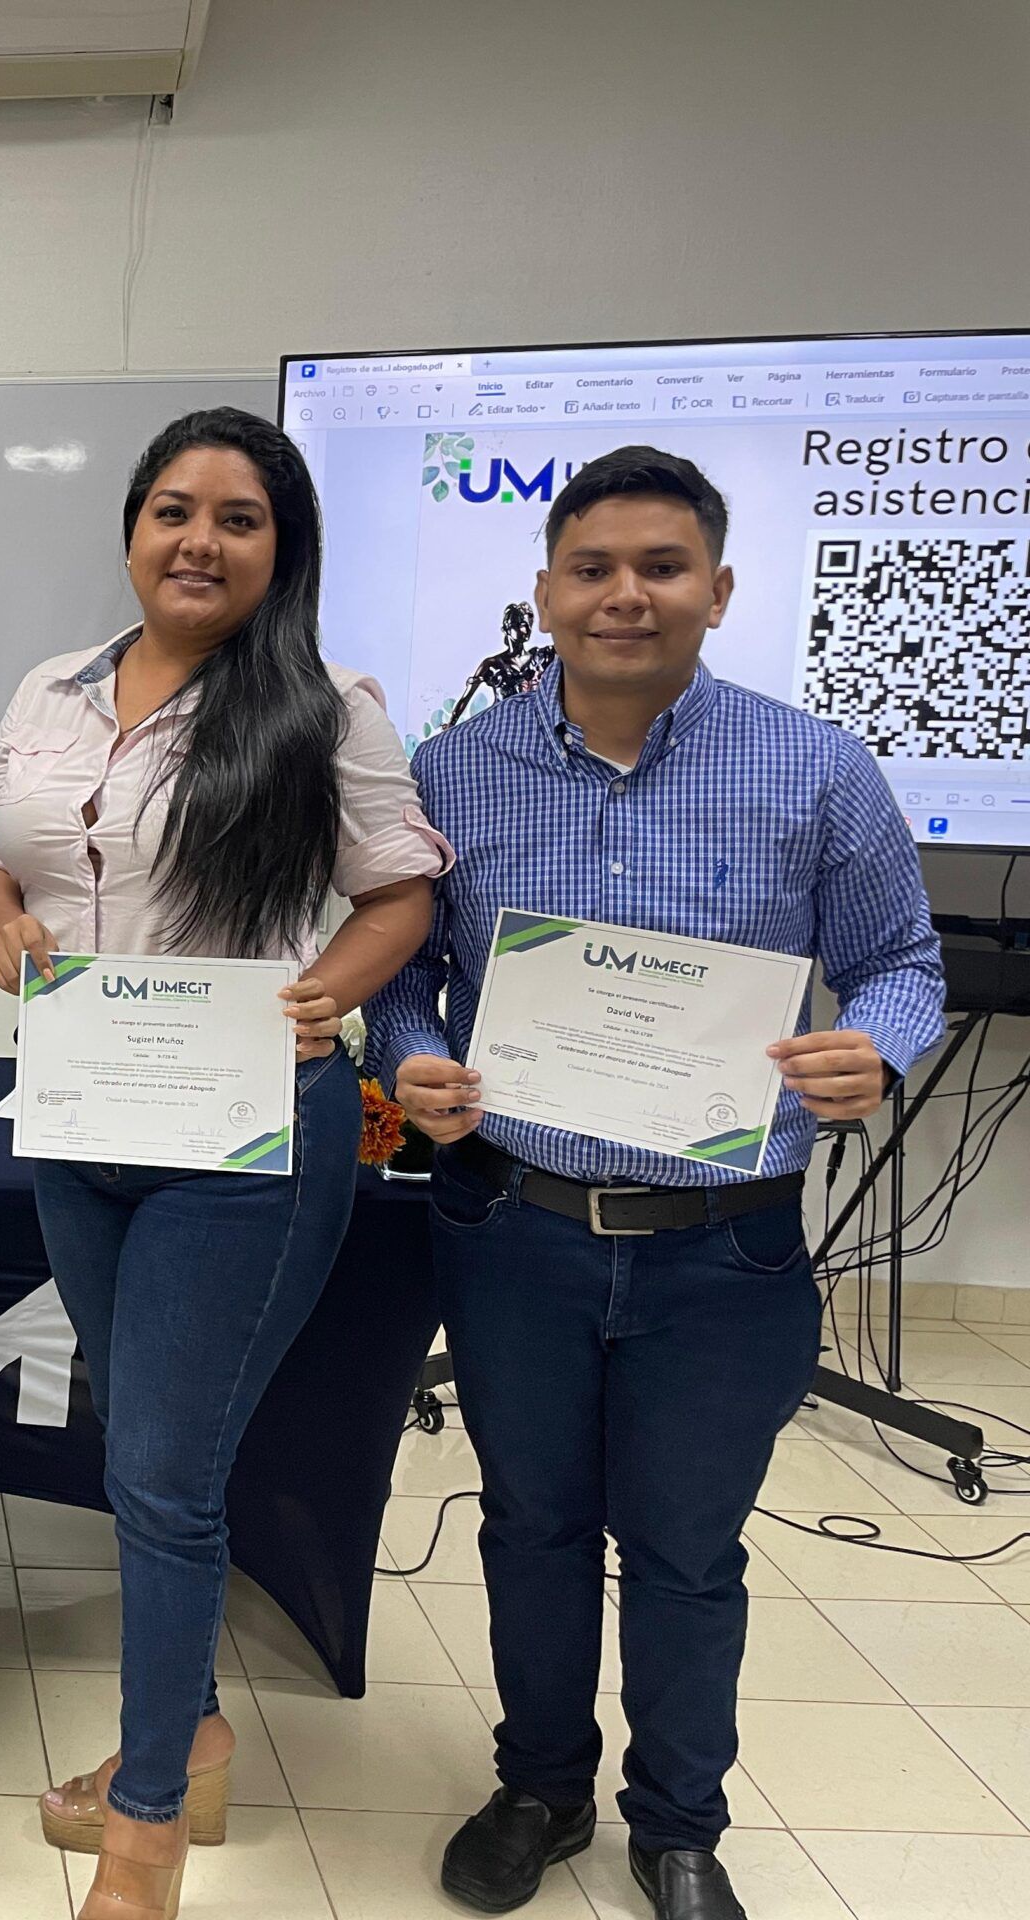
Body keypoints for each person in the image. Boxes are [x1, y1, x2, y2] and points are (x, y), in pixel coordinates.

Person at [369, 447, 944, 1920]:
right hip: (517, 1228)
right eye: (594, 569)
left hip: (722, 1247)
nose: (627, 595)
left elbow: (905, 967)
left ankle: (678, 1825)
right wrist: (415, 1054)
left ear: (718, 591)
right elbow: (411, 971)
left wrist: (869, 1054)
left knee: (689, 1552)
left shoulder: (815, 767)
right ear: (547, 593)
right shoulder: (457, 768)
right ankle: (541, 1787)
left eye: (662, 568)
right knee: (531, 1527)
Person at [0, 406, 447, 1920]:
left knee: (164, 1478)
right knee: (141, 1454)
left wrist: (331, 994)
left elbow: (401, 889)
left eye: (238, 518)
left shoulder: (328, 706)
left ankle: (150, 1818)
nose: (199, 541)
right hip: (83, 1118)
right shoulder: (51, 687)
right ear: (131, 527)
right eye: (174, 509)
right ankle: (199, 1734)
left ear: (280, 547)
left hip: (244, 1136)